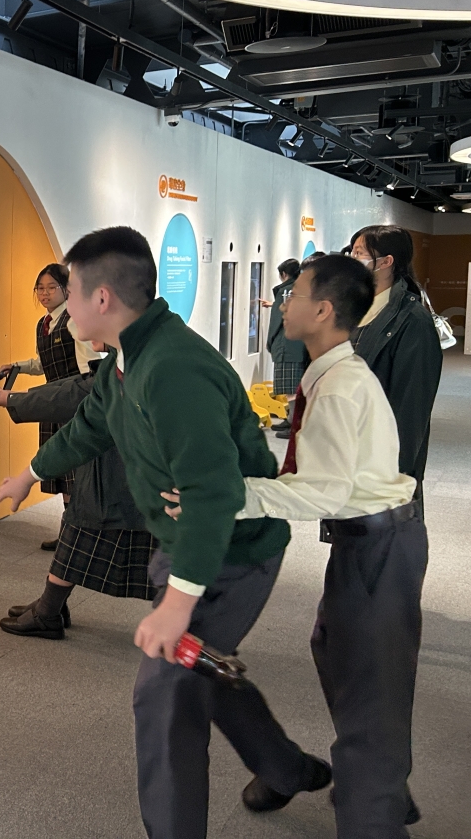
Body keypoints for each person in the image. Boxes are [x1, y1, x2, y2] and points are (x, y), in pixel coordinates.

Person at [0, 226, 326, 839]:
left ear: (101, 299)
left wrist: (177, 603)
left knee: (164, 695)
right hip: (184, 547)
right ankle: (286, 768)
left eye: (71, 291)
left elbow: (214, 494)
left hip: (232, 552)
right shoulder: (127, 357)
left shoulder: (173, 368)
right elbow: (91, 425)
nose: (63, 305)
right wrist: (29, 474)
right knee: (201, 674)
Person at [162, 254, 425, 834]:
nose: (284, 301)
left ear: (324, 310)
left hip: (380, 543)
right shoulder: (330, 375)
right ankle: (383, 787)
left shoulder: (339, 388)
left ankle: (375, 812)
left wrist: (230, 496)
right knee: (339, 653)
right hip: (366, 540)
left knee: (369, 686)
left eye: (296, 293)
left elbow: (323, 492)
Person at [0, 366, 156, 639]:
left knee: (83, 528)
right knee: (79, 528)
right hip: (132, 468)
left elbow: (80, 402)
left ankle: (48, 611)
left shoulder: (141, 363)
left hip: (143, 475)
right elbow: (81, 397)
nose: (89, 344)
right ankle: (50, 608)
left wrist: (14, 400)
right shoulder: (124, 359)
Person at [0, 264, 100, 550]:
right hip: (52, 403)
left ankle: (77, 535)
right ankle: (68, 533)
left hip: (72, 402)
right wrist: (17, 366)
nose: (44, 293)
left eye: (51, 287)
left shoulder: (74, 321)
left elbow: (88, 368)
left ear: (66, 290)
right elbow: (44, 362)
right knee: (63, 475)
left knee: (76, 473)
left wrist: (85, 401)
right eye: (40, 288)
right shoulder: (44, 324)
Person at [349, 225, 443, 495]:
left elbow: (411, 406)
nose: (351, 260)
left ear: (386, 262)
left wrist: (394, 473)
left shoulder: (412, 320)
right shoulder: (353, 307)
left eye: (359, 253)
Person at [263, 258, 308, 438]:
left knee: (291, 388)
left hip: (286, 346)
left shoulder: (285, 291)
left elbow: (277, 321)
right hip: (301, 345)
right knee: (297, 386)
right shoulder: (304, 290)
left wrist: (270, 343)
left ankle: (294, 424)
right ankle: (291, 420)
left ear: (283, 274)